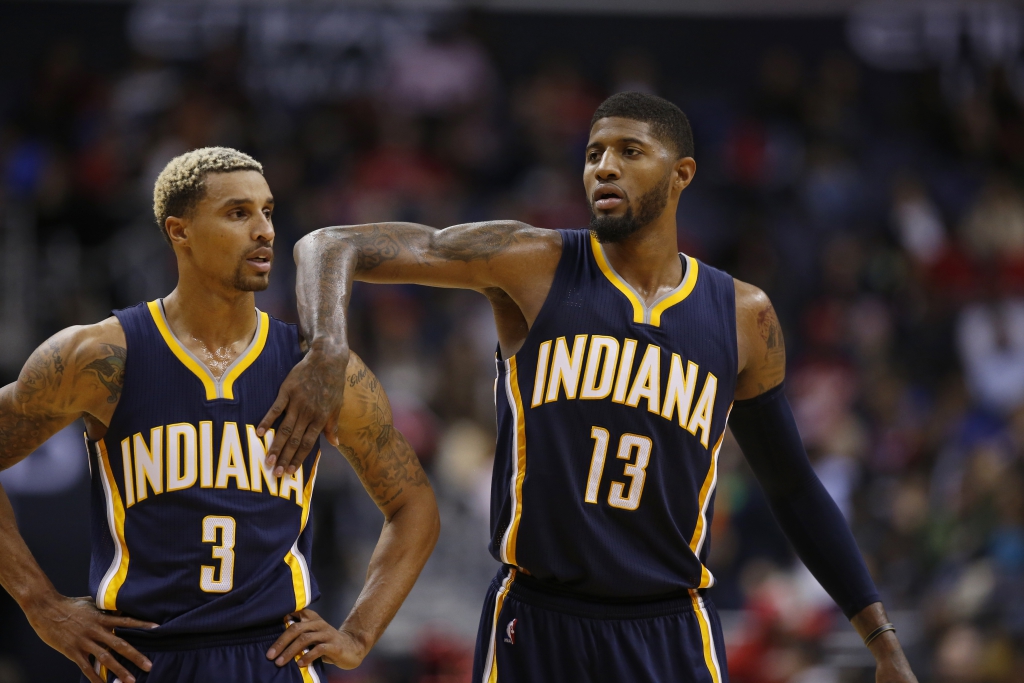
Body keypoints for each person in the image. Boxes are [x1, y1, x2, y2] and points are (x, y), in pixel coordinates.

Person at [264, 93, 918, 682]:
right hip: (537, 618)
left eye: (630, 151)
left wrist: (880, 638)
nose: (604, 166)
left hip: (669, 627)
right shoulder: (531, 261)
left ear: (681, 173)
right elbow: (328, 244)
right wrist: (326, 344)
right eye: (594, 152)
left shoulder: (744, 315)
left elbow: (795, 486)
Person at [0, 147, 439, 683]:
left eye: (268, 211)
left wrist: (358, 633)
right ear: (179, 231)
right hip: (145, 657)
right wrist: (40, 605)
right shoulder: (100, 357)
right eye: (238, 213)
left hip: (273, 658)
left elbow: (413, 504)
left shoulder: (315, 367)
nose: (264, 231)